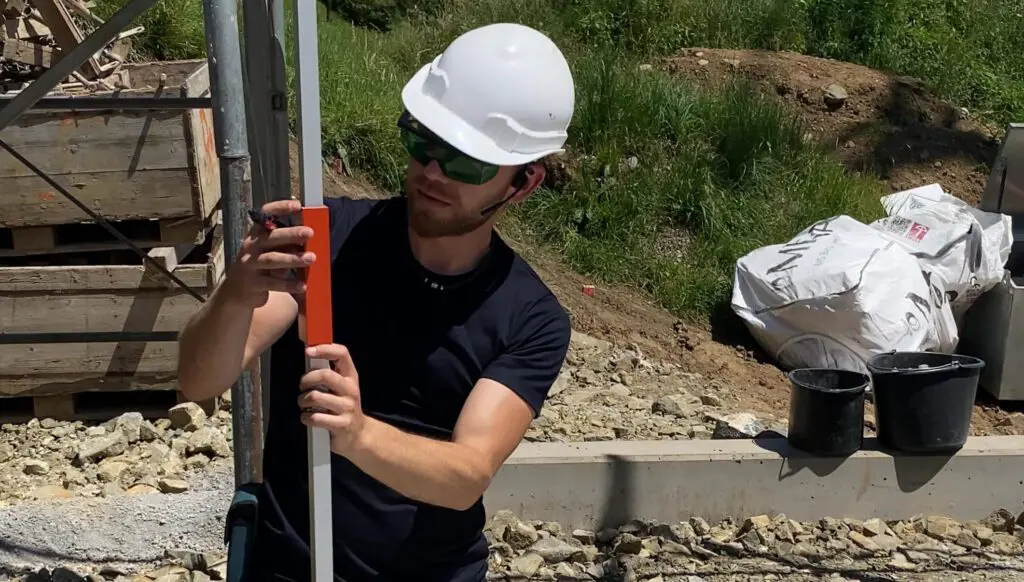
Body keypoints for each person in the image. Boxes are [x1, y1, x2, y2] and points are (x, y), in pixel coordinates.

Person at [176, 22, 576, 582]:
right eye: (424, 141)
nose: (433, 171)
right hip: (291, 567)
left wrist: (358, 435)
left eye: (466, 161)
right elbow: (197, 380)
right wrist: (236, 296)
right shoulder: (326, 240)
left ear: (523, 183)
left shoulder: (531, 317)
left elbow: (466, 475)